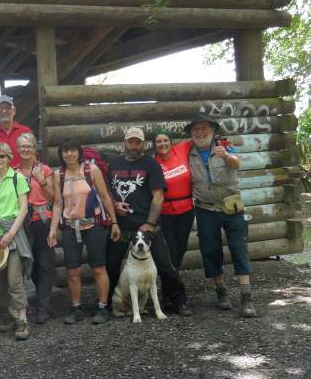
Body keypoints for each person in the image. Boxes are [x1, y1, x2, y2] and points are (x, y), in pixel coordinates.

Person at [106, 127, 189, 318]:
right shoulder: (114, 164)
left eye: (138, 143)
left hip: (147, 226)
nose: (134, 146)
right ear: (124, 143)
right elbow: (107, 190)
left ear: (143, 145)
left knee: (165, 265)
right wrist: (115, 205)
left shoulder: (151, 164)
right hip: (121, 226)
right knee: (112, 264)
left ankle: (178, 300)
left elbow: (158, 195)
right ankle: (108, 304)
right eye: (131, 142)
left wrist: (150, 223)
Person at [185, 113, 257, 317]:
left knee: (239, 248)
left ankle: (246, 298)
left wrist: (225, 155)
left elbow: (236, 163)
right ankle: (221, 291)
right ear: (191, 133)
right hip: (205, 209)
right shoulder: (188, 152)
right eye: (196, 129)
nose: (200, 132)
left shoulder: (224, 144)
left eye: (204, 128)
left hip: (232, 207)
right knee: (210, 250)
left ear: (213, 130)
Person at [49, 138, 120, 324]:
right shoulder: (59, 175)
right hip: (70, 227)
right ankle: (76, 308)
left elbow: (105, 197)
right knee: (72, 271)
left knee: (99, 267)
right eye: (65, 151)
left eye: (72, 150)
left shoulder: (91, 170)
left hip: (94, 225)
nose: (69, 154)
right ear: (61, 155)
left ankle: (102, 308)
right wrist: (53, 229)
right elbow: (57, 204)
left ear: (79, 152)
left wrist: (114, 222)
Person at [0, 141, 32, 340]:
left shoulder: (18, 179)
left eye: (2, 155)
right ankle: (13, 317)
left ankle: (22, 322)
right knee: (0, 282)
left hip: (14, 235)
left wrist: (10, 234)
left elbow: (23, 209)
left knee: (14, 281)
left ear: (9, 157)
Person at [153, 128, 196, 316]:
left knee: (179, 251)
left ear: (171, 142)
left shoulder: (182, 149)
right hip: (165, 214)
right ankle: (179, 299)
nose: (163, 144)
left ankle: (167, 294)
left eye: (165, 140)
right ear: (154, 146)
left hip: (186, 211)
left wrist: (222, 142)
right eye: (158, 142)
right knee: (169, 255)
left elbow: (198, 137)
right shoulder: (153, 162)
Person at [15, 132, 55, 324]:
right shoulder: (13, 172)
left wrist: (42, 180)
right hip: (22, 222)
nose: (25, 149)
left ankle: (43, 308)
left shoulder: (44, 170)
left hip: (42, 220)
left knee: (44, 264)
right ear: (17, 149)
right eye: (22, 146)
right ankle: (33, 302)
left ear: (35, 149)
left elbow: (54, 198)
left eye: (29, 146)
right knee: (27, 264)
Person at [0, 94, 31, 168]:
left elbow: (32, 155)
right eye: (0, 108)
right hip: (0, 174)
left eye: (8, 108)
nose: (4, 111)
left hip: (22, 174)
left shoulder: (25, 131)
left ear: (14, 110)